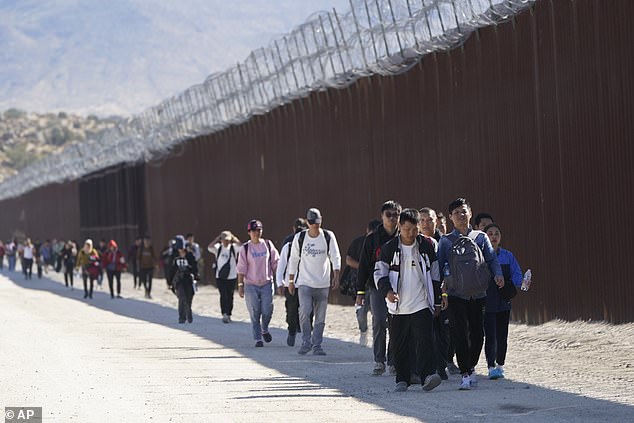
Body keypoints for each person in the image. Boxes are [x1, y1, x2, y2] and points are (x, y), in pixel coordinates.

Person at [437, 198, 503, 390]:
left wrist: (498, 274)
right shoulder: (446, 241)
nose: (461, 215)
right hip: (456, 294)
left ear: (470, 213)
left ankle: (471, 365)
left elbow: (491, 259)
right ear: (450, 217)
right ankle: (465, 372)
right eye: (456, 212)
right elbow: (439, 267)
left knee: (477, 334)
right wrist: (441, 292)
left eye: (464, 211)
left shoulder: (480, 237)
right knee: (459, 333)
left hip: (479, 293)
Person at [374, 208, 443, 392]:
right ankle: (402, 379)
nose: (410, 234)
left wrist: (436, 301)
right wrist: (387, 291)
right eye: (406, 230)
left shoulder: (426, 247)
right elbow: (379, 273)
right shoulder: (389, 249)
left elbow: (435, 275)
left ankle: (427, 376)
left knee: (425, 341)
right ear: (400, 227)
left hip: (421, 301)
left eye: (414, 229)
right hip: (398, 306)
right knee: (399, 343)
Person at [287, 208, 341, 356]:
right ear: (307, 222)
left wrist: (336, 275)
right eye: (311, 223)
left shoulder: (328, 236)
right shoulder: (300, 238)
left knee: (321, 316)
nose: (314, 226)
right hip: (304, 282)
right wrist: (291, 280)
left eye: (317, 223)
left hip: (323, 283)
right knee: (304, 311)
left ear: (321, 220)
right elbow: (293, 260)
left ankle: (317, 345)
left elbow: (335, 256)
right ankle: (306, 341)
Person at [356, 200, 402, 375]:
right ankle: (379, 360)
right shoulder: (372, 239)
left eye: (395, 214)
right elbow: (363, 267)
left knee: (396, 323)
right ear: (382, 217)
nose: (392, 218)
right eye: (388, 215)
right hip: (376, 287)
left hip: (399, 286)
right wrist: (360, 292)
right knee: (380, 321)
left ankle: (393, 361)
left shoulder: (403, 237)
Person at [483, 223, 523, 380]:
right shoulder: (481, 255)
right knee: (490, 336)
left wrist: (518, 284)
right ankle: (490, 366)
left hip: (504, 301)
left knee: (502, 335)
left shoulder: (508, 256)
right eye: (490, 234)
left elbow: (517, 275)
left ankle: (500, 365)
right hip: (487, 301)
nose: (493, 237)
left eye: (496, 234)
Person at [419, 207, 451, 380]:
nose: (426, 223)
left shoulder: (444, 241)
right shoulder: (416, 242)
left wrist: (444, 293)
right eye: (422, 220)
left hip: (442, 292)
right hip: (422, 294)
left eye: (429, 220)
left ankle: (442, 365)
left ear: (436, 221)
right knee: (425, 332)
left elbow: (447, 267)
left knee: (442, 332)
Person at [237, 220, 280, 347]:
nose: (257, 233)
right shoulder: (245, 248)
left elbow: (275, 263)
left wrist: (280, 280)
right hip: (251, 284)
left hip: (266, 283)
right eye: (254, 230)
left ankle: (264, 329)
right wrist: (240, 286)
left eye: (259, 230)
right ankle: (257, 339)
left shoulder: (267, 244)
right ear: (249, 232)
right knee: (255, 312)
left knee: (267, 309)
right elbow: (241, 268)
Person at [344, 219, 381, 341]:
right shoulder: (359, 242)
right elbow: (348, 260)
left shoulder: (382, 242)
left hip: (377, 284)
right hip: (361, 283)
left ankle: (377, 338)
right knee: (361, 313)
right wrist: (363, 267)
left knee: (378, 314)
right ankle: (363, 330)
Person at [276, 218, 309, 346]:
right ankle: (292, 330)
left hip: (307, 282)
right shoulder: (288, 245)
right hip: (291, 283)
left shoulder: (311, 244)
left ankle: (307, 335)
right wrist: (280, 282)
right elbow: (281, 265)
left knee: (307, 310)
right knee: (291, 309)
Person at [208, 231, 241, 323]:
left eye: (227, 240)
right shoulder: (218, 248)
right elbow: (209, 247)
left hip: (232, 276)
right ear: (221, 240)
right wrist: (217, 238)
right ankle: (224, 314)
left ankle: (229, 313)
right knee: (223, 295)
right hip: (220, 276)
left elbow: (242, 246)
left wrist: (234, 238)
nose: (226, 242)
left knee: (230, 295)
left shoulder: (234, 248)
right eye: (224, 240)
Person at [171, 236, 199, 323]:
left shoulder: (190, 255)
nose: (180, 250)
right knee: (182, 298)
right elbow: (171, 269)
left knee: (189, 298)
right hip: (179, 281)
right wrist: (170, 282)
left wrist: (196, 276)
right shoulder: (174, 256)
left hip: (189, 280)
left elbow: (195, 267)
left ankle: (189, 315)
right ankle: (182, 317)